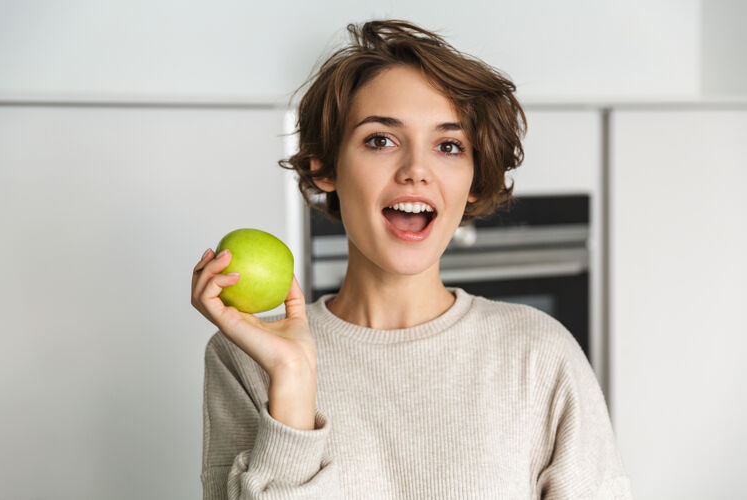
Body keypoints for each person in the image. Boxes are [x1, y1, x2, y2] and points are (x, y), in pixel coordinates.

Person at [191, 19, 633, 500]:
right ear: (324, 164)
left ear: (473, 180)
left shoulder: (540, 354)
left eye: (448, 146)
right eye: (381, 139)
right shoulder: (248, 356)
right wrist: (293, 385)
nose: (416, 171)